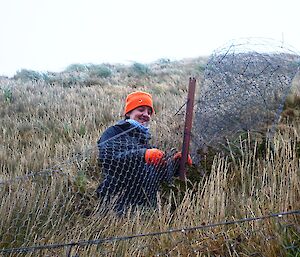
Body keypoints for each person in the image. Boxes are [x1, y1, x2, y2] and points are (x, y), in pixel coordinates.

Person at [96, 91, 192, 215]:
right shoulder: (114, 131)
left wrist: (176, 163)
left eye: (149, 112)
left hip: (145, 209)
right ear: (129, 113)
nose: (146, 115)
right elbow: (107, 158)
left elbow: (159, 173)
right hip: (116, 205)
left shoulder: (143, 139)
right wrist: (143, 155)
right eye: (141, 110)